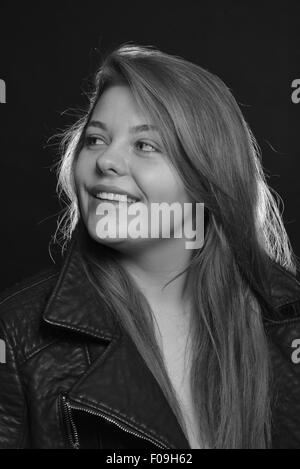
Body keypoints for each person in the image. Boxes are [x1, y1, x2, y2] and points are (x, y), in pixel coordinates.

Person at [1, 43, 300, 450]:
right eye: (95, 139)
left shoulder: (288, 324)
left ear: (206, 176)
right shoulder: (17, 334)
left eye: (145, 145)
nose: (106, 161)